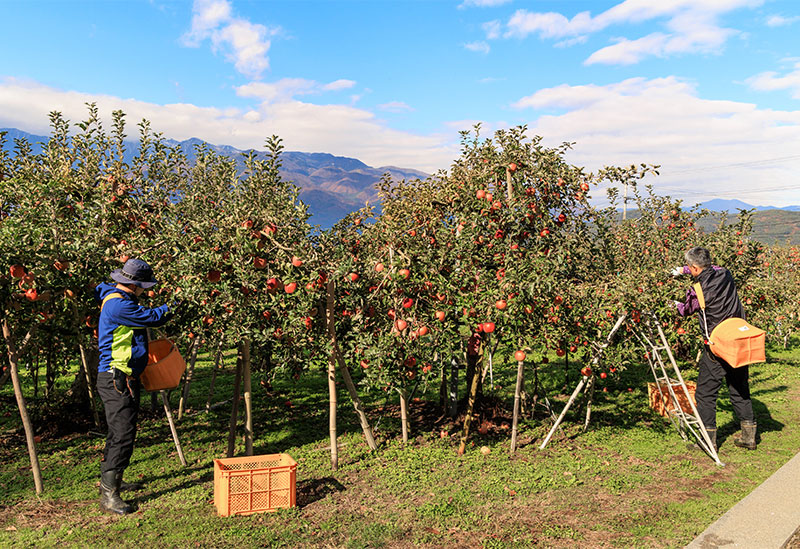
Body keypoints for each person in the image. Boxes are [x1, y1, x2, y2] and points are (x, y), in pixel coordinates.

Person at [94, 258, 173, 515]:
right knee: (123, 434)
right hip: (117, 378)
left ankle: (113, 480)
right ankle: (109, 495)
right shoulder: (118, 306)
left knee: (119, 432)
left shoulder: (118, 299)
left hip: (122, 376)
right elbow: (152, 317)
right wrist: (175, 305)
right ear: (135, 284)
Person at [674, 246, 756, 452]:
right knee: (739, 388)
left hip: (717, 346)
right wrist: (684, 270)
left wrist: (674, 305)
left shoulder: (697, 290)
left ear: (694, 267)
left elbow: (686, 310)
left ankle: (708, 441)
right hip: (738, 340)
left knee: (705, 394)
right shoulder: (725, 273)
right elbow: (711, 268)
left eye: (690, 268)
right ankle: (749, 437)